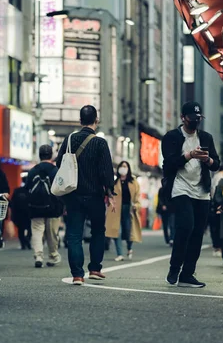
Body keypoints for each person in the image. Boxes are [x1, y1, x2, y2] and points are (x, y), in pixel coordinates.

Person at [161, 102, 220, 288]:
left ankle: (187, 274)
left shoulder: (206, 137)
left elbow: (217, 164)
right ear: (183, 118)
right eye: (191, 119)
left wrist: (207, 159)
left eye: (198, 119)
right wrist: (189, 155)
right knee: (186, 226)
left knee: (197, 233)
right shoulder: (171, 137)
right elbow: (168, 164)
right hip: (180, 187)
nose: (195, 122)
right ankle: (174, 268)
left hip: (201, 190)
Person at [56, 105, 115, 285]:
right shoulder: (100, 142)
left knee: (74, 234)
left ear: (80, 121)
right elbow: (106, 170)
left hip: (73, 194)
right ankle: (95, 269)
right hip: (95, 195)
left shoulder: (69, 139)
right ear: (96, 121)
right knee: (98, 231)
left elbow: (59, 162)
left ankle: (77, 275)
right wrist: (110, 193)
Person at [26, 145, 64, 267]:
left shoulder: (32, 171)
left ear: (39, 155)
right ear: (51, 155)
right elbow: (60, 188)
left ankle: (38, 255)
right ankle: (53, 255)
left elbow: (27, 189)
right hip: (53, 207)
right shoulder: (56, 170)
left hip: (35, 207)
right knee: (51, 233)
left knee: (37, 232)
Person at [106, 161, 142, 261]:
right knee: (117, 231)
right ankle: (119, 254)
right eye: (121, 166)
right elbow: (111, 195)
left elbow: (137, 196)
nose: (123, 168)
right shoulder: (115, 182)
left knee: (128, 231)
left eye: (125, 166)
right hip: (116, 210)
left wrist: (137, 205)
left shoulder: (133, 181)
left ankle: (129, 248)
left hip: (129, 209)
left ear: (128, 168)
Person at [209, 163, 223, 257]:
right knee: (220, 227)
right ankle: (220, 247)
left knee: (215, 228)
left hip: (213, 204)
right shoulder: (222, 177)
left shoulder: (215, 176)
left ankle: (217, 247)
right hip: (220, 204)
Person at [10, 177, 32, 250]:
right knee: (30, 229)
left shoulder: (17, 191)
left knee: (20, 230)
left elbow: (12, 203)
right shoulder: (30, 191)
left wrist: (13, 214)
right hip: (29, 213)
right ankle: (27, 240)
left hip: (18, 214)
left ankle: (23, 244)